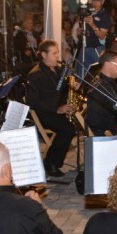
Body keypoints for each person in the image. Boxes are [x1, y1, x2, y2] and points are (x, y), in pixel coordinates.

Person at [25, 40, 76, 177]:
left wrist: (73, 86)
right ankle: (51, 163)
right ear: (43, 55)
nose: (57, 56)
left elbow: (60, 90)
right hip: (45, 112)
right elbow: (33, 102)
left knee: (74, 126)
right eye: (54, 53)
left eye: (57, 53)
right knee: (67, 129)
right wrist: (57, 109)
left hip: (58, 109)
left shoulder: (59, 70)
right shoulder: (35, 74)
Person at [85, 51, 117, 136]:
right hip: (105, 132)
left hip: (112, 126)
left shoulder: (109, 82)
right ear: (107, 64)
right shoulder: (99, 86)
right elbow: (93, 118)